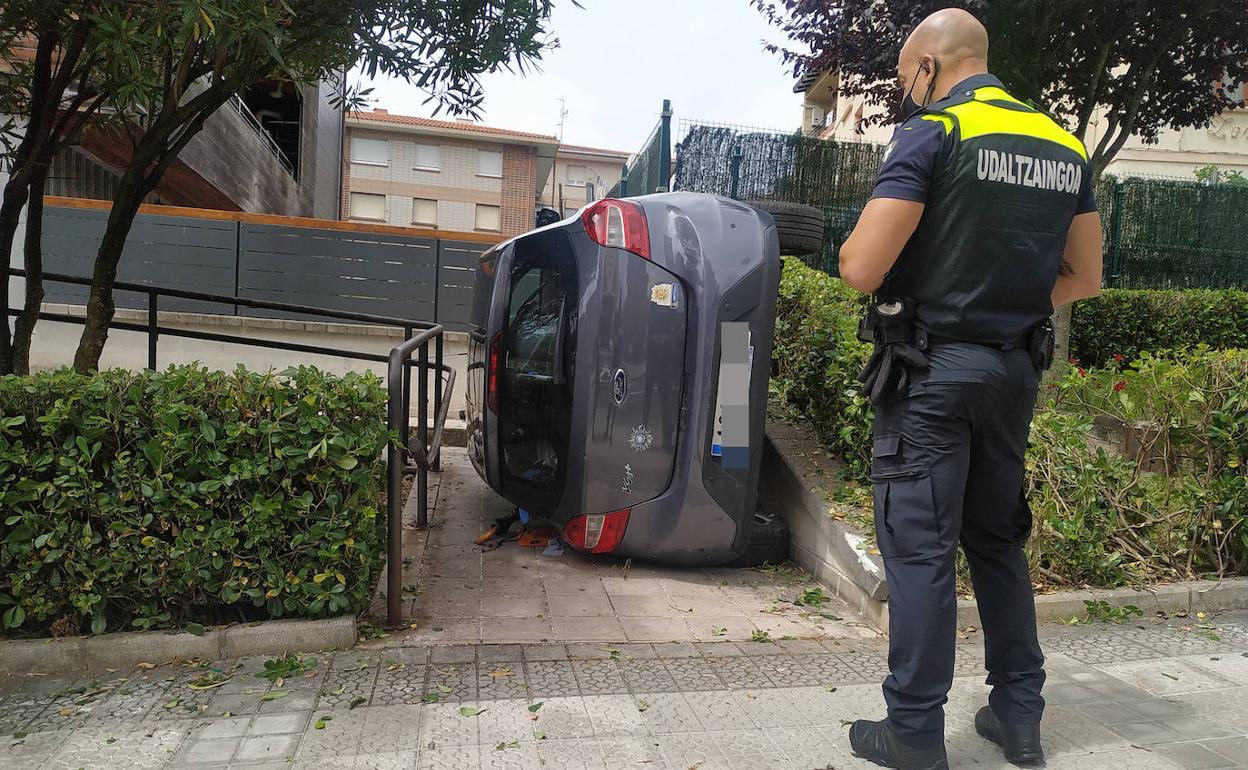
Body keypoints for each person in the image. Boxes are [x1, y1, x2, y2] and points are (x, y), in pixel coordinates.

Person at [837, 8, 1104, 770]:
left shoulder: (935, 133)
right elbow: (1083, 276)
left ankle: (915, 732)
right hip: (1015, 373)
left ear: (928, 64)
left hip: (933, 375)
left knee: (921, 550)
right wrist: (1005, 307)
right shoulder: (1063, 142)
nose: (905, 93)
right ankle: (1019, 715)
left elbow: (862, 265)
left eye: (904, 78)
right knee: (995, 541)